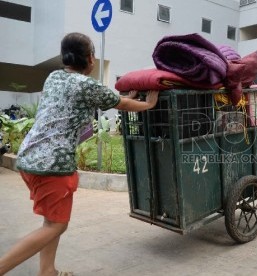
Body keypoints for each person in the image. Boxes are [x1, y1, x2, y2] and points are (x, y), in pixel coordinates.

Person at [0, 32, 159, 276]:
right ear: (89, 58)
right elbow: (122, 104)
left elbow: (113, 98)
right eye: (92, 54)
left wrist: (126, 98)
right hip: (53, 165)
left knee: (51, 222)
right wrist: (147, 105)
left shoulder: (54, 77)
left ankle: (48, 271)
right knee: (57, 226)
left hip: (29, 158)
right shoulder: (86, 84)